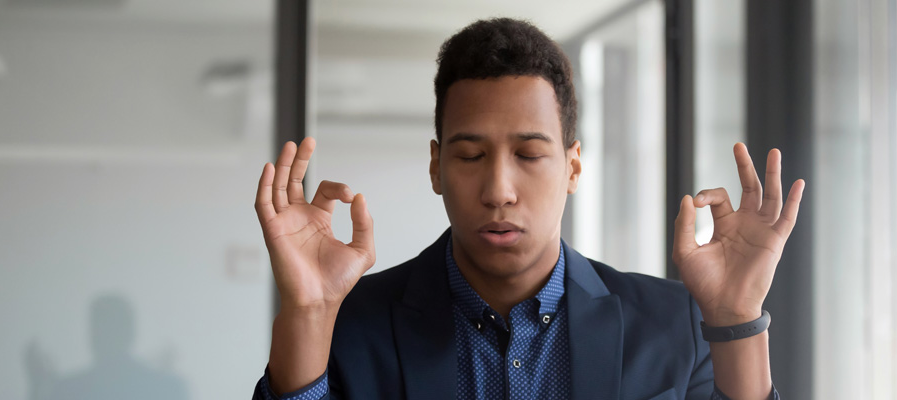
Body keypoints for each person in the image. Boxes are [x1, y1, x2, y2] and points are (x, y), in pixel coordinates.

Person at [251, 18, 803, 400]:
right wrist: (307, 312)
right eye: (470, 155)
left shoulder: (674, 324)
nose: (499, 190)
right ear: (437, 168)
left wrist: (736, 321)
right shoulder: (349, 324)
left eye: (529, 154)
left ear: (573, 167)